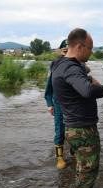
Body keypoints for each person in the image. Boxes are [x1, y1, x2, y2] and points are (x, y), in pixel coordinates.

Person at [51, 28, 103, 188]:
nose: (91, 52)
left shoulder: (59, 64)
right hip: (82, 129)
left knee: (82, 165)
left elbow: (72, 80)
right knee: (89, 168)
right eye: (90, 48)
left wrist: (87, 76)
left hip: (73, 126)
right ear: (79, 46)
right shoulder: (71, 68)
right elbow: (87, 91)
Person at [44, 39, 69, 170]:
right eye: (63, 49)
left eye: (68, 49)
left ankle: (74, 153)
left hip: (73, 104)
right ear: (60, 51)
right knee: (60, 130)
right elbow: (48, 89)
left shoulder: (78, 65)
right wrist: (49, 104)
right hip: (58, 104)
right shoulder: (54, 65)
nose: (65, 51)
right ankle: (59, 157)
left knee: (73, 130)